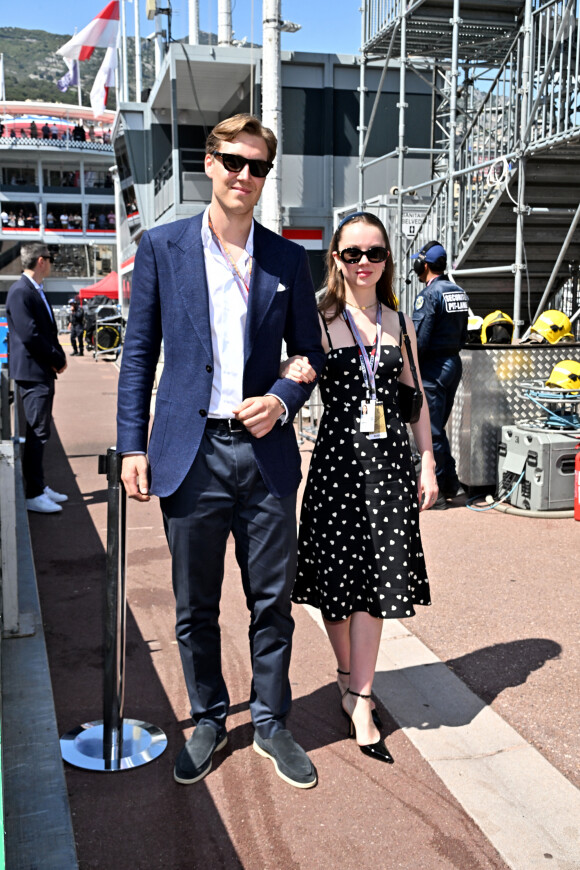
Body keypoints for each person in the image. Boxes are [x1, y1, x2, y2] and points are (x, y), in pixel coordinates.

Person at [117, 113, 325, 790]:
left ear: (266, 176)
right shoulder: (163, 247)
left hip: (264, 454)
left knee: (272, 601)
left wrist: (282, 400)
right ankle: (207, 716)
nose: (243, 175)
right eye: (232, 161)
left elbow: (308, 355)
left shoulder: (289, 259)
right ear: (208, 164)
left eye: (257, 166)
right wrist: (129, 445)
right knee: (193, 604)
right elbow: (138, 352)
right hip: (190, 453)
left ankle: (270, 722)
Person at [289, 212, 437, 764]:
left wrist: (427, 462)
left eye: (374, 253)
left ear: (387, 260)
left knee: (376, 585)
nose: (364, 264)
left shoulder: (399, 322)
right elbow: (293, 375)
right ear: (335, 258)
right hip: (336, 466)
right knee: (335, 586)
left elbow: (415, 398)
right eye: (352, 254)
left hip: (388, 468)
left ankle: (362, 699)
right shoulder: (319, 319)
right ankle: (347, 677)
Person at [5, 244, 68, 513]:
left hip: (38, 370)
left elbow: (42, 332)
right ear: (41, 261)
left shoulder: (30, 290)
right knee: (37, 431)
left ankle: (39, 486)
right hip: (33, 372)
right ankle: (33, 493)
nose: (52, 265)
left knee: (38, 430)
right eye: (50, 260)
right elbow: (31, 335)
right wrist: (57, 358)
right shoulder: (21, 291)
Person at [411, 241, 469, 509]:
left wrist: (409, 368)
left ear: (424, 265)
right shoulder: (458, 291)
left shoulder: (429, 294)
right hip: (453, 364)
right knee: (438, 430)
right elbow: (463, 333)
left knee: (431, 432)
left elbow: (420, 340)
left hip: (432, 368)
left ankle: (436, 496)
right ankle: (452, 486)